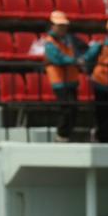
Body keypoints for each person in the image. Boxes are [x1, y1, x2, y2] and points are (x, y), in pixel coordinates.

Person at [41, 11, 85, 142]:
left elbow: (82, 50)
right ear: (52, 26)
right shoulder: (49, 42)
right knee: (66, 108)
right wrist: (75, 61)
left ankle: (66, 135)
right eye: (59, 25)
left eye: (64, 25)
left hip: (71, 80)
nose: (62, 28)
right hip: (59, 81)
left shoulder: (70, 39)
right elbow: (57, 59)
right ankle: (61, 135)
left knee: (74, 109)